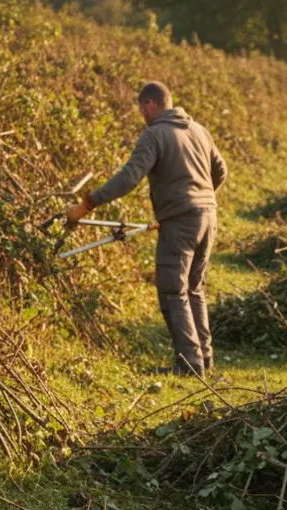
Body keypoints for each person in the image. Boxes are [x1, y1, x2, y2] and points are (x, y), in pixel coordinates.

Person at [66, 81, 227, 376]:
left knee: (173, 291)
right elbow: (222, 171)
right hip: (209, 218)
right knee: (195, 289)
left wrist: (88, 204)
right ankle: (204, 358)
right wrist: (200, 200)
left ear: (150, 104)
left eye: (142, 108)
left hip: (181, 223)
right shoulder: (200, 131)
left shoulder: (154, 134)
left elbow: (129, 177)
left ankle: (189, 365)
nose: (142, 114)